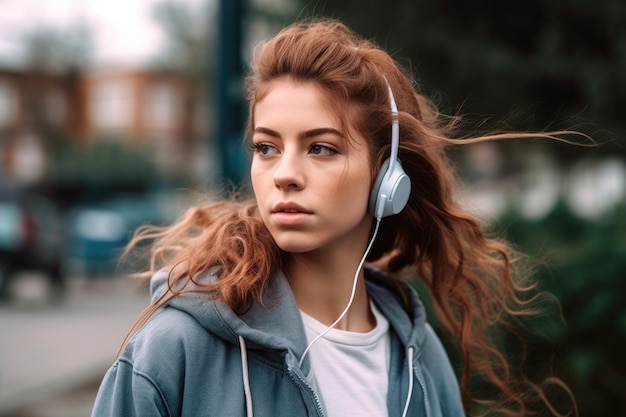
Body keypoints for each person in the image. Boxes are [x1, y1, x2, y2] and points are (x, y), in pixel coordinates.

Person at [91, 19, 577, 417]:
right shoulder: (174, 349)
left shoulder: (417, 355)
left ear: (388, 176)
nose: (284, 174)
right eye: (266, 147)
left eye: (320, 148)